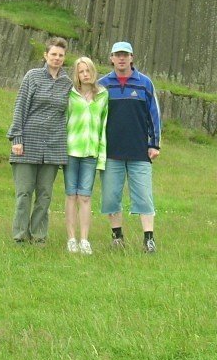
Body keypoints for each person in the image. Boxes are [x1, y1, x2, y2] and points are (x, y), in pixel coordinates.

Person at [7, 37, 71, 244]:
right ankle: (19, 235)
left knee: (44, 195)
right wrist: (17, 137)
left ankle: (39, 236)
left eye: (61, 55)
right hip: (27, 145)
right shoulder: (32, 77)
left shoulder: (67, 83)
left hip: (53, 148)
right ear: (45, 55)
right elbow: (20, 107)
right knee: (24, 193)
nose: (57, 58)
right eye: (53, 54)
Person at [99, 41, 161, 253]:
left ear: (132, 57)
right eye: (118, 55)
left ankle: (149, 240)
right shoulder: (103, 85)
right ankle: (117, 237)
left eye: (125, 55)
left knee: (144, 195)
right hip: (111, 152)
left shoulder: (145, 83)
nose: (122, 58)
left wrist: (154, 144)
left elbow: (154, 116)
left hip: (139, 151)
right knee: (110, 196)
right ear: (112, 58)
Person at [64, 57, 108, 255]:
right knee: (71, 195)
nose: (85, 74)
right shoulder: (70, 95)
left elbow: (104, 126)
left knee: (85, 196)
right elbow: (64, 121)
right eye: (81, 71)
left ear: (93, 71)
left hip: (91, 152)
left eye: (88, 70)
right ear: (77, 75)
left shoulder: (103, 96)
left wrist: (102, 154)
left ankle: (84, 240)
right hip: (72, 150)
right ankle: (71, 239)